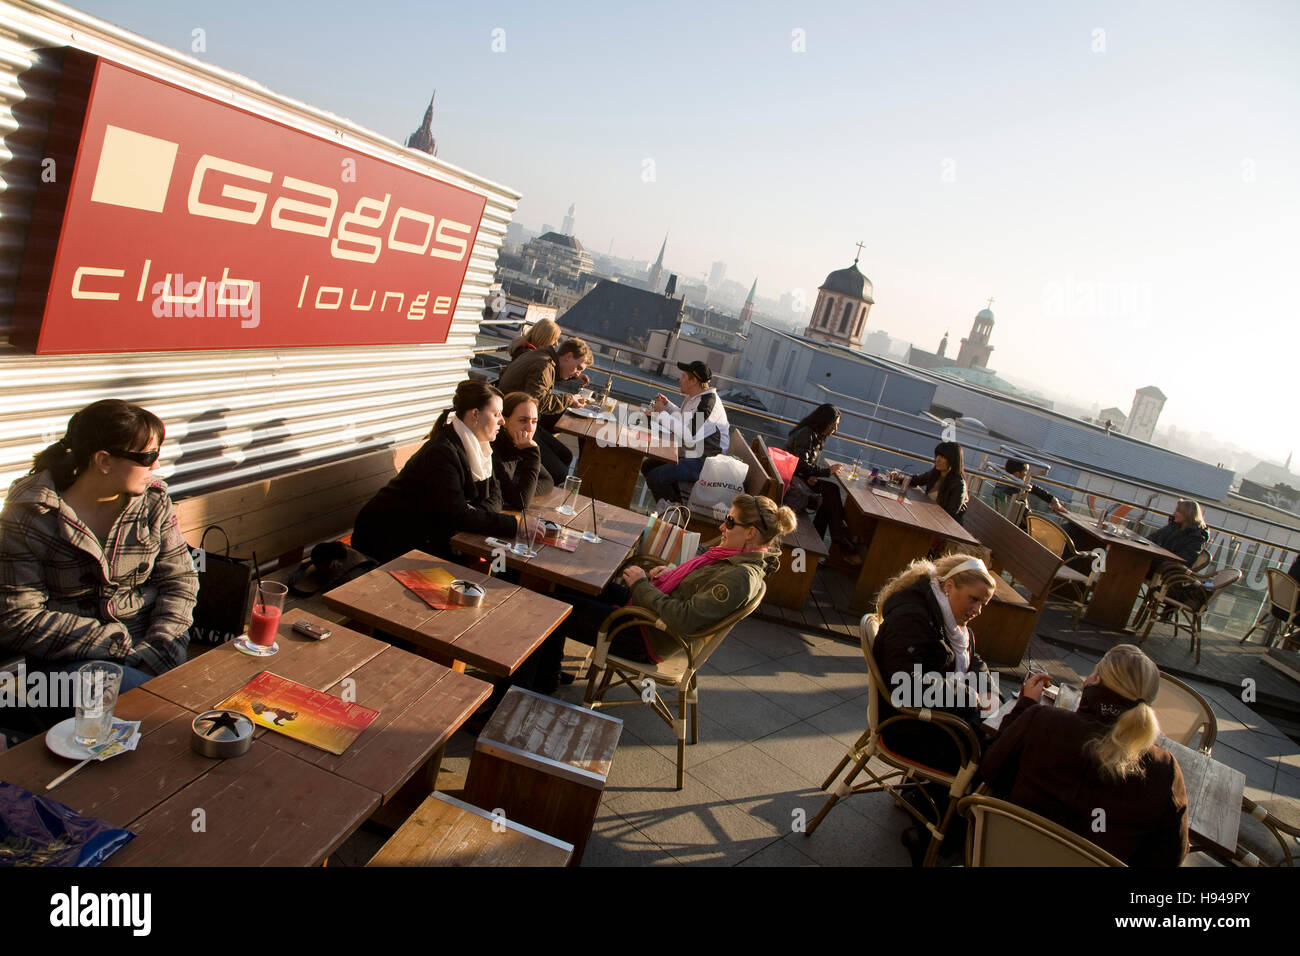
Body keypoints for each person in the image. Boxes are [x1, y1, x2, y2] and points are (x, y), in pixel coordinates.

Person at [0, 399, 198, 693]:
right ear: (103, 460)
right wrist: (115, 646)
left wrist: (162, 647)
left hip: (151, 647)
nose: (156, 465)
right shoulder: (31, 513)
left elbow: (180, 580)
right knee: (155, 707)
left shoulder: (153, 503)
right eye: (148, 456)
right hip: (67, 660)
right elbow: (18, 618)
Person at [525, 494, 790, 693]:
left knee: (552, 609)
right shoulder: (735, 559)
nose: (722, 527)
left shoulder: (740, 576)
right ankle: (548, 673)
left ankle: (527, 687)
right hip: (648, 618)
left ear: (751, 533)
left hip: (645, 636)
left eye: (730, 522)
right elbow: (696, 590)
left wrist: (641, 585)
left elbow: (685, 618)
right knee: (568, 584)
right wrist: (674, 573)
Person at [980, 644, 1189, 866]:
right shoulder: (1164, 770)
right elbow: (1169, 857)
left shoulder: (1041, 720)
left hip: (1006, 857)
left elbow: (992, 772)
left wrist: (1025, 706)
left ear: (1096, 680)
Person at [353, 380, 519, 563]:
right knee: (487, 566)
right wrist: (515, 525)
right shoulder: (442, 452)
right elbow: (457, 515)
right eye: (496, 414)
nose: (502, 421)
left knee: (494, 561)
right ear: (475, 415)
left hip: (425, 532)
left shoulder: (482, 448)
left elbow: (495, 497)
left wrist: (474, 514)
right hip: (387, 536)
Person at [871, 554, 1000, 773]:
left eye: (983, 604)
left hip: (933, 718)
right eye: (974, 599)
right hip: (906, 726)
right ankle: (946, 801)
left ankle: (930, 799)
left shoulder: (946, 618)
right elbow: (905, 685)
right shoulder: (912, 617)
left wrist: (990, 692)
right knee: (995, 759)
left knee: (1001, 736)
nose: (978, 610)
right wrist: (967, 696)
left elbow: (973, 660)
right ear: (948, 586)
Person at [497, 337, 594, 485]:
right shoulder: (543, 366)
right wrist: (569, 400)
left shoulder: (543, 356)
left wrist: (575, 375)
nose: (577, 373)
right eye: (578, 368)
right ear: (568, 356)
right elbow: (537, 403)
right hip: (514, 427)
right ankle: (523, 491)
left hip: (519, 418)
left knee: (566, 456)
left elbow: (545, 382)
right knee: (560, 473)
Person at [640, 360, 731, 506]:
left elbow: (690, 433)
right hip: (693, 454)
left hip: (705, 463)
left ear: (693, 381)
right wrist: (668, 406)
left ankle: (675, 515)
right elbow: (685, 419)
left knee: (657, 477)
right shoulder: (696, 397)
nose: (680, 380)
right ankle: (671, 506)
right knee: (648, 466)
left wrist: (661, 413)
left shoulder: (707, 405)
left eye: (683, 376)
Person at [784, 403, 859, 566]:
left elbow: (802, 465)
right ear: (824, 421)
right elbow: (800, 464)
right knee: (830, 493)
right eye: (834, 425)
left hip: (797, 480)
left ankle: (816, 554)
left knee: (828, 499)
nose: (835, 429)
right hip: (791, 488)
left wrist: (812, 476)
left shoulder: (813, 434)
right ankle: (839, 537)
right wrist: (827, 471)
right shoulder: (807, 434)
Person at [492, 392, 554, 510]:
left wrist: (526, 490)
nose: (530, 428)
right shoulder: (494, 449)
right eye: (523, 420)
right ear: (504, 421)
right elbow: (521, 501)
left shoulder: (517, 444)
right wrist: (532, 454)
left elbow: (548, 481)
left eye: (534, 421)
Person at [888, 440, 969, 523]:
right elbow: (916, 480)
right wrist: (898, 477)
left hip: (943, 527)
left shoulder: (959, 485)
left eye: (943, 457)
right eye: (937, 455)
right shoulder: (936, 473)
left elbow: (949, 515)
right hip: (927, 516)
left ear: (953, 460)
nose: (937, 459)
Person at [997, 458, 1067, 524]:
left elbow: (1032, 488)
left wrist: (1053, 500)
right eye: (1026, 472)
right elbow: (1028, 517)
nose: (1027, 475)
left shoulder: (1003, 482)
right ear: (1017, 474)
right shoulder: (1015, 492)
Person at [1148, 499, 1209, 566]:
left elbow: (1185, 560)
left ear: (1187, 514)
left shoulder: (1197, 537)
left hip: (1164, 568)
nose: (1174, 513)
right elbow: (1152, 537)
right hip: (1155, 561)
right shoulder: (1173, 526)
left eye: (1178, 511)